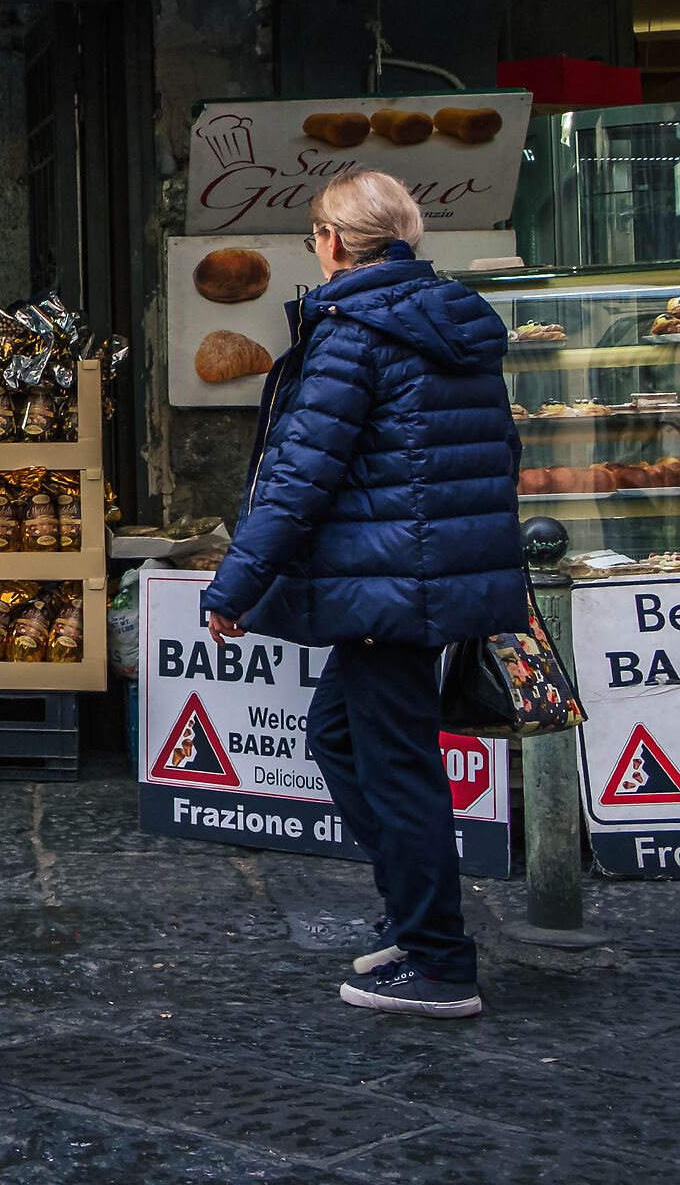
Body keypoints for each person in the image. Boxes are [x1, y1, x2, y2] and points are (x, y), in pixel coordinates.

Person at [201, 168, 522, 1019]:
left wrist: (236, 585)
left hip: (386, 584)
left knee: (398, 767)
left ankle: (440, 958)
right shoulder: (453, 320)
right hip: (420, 574)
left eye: (316, 231)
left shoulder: (353, 333)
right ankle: (415, 917)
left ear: (333, 242)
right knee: (339, 737)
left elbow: (298, 478)